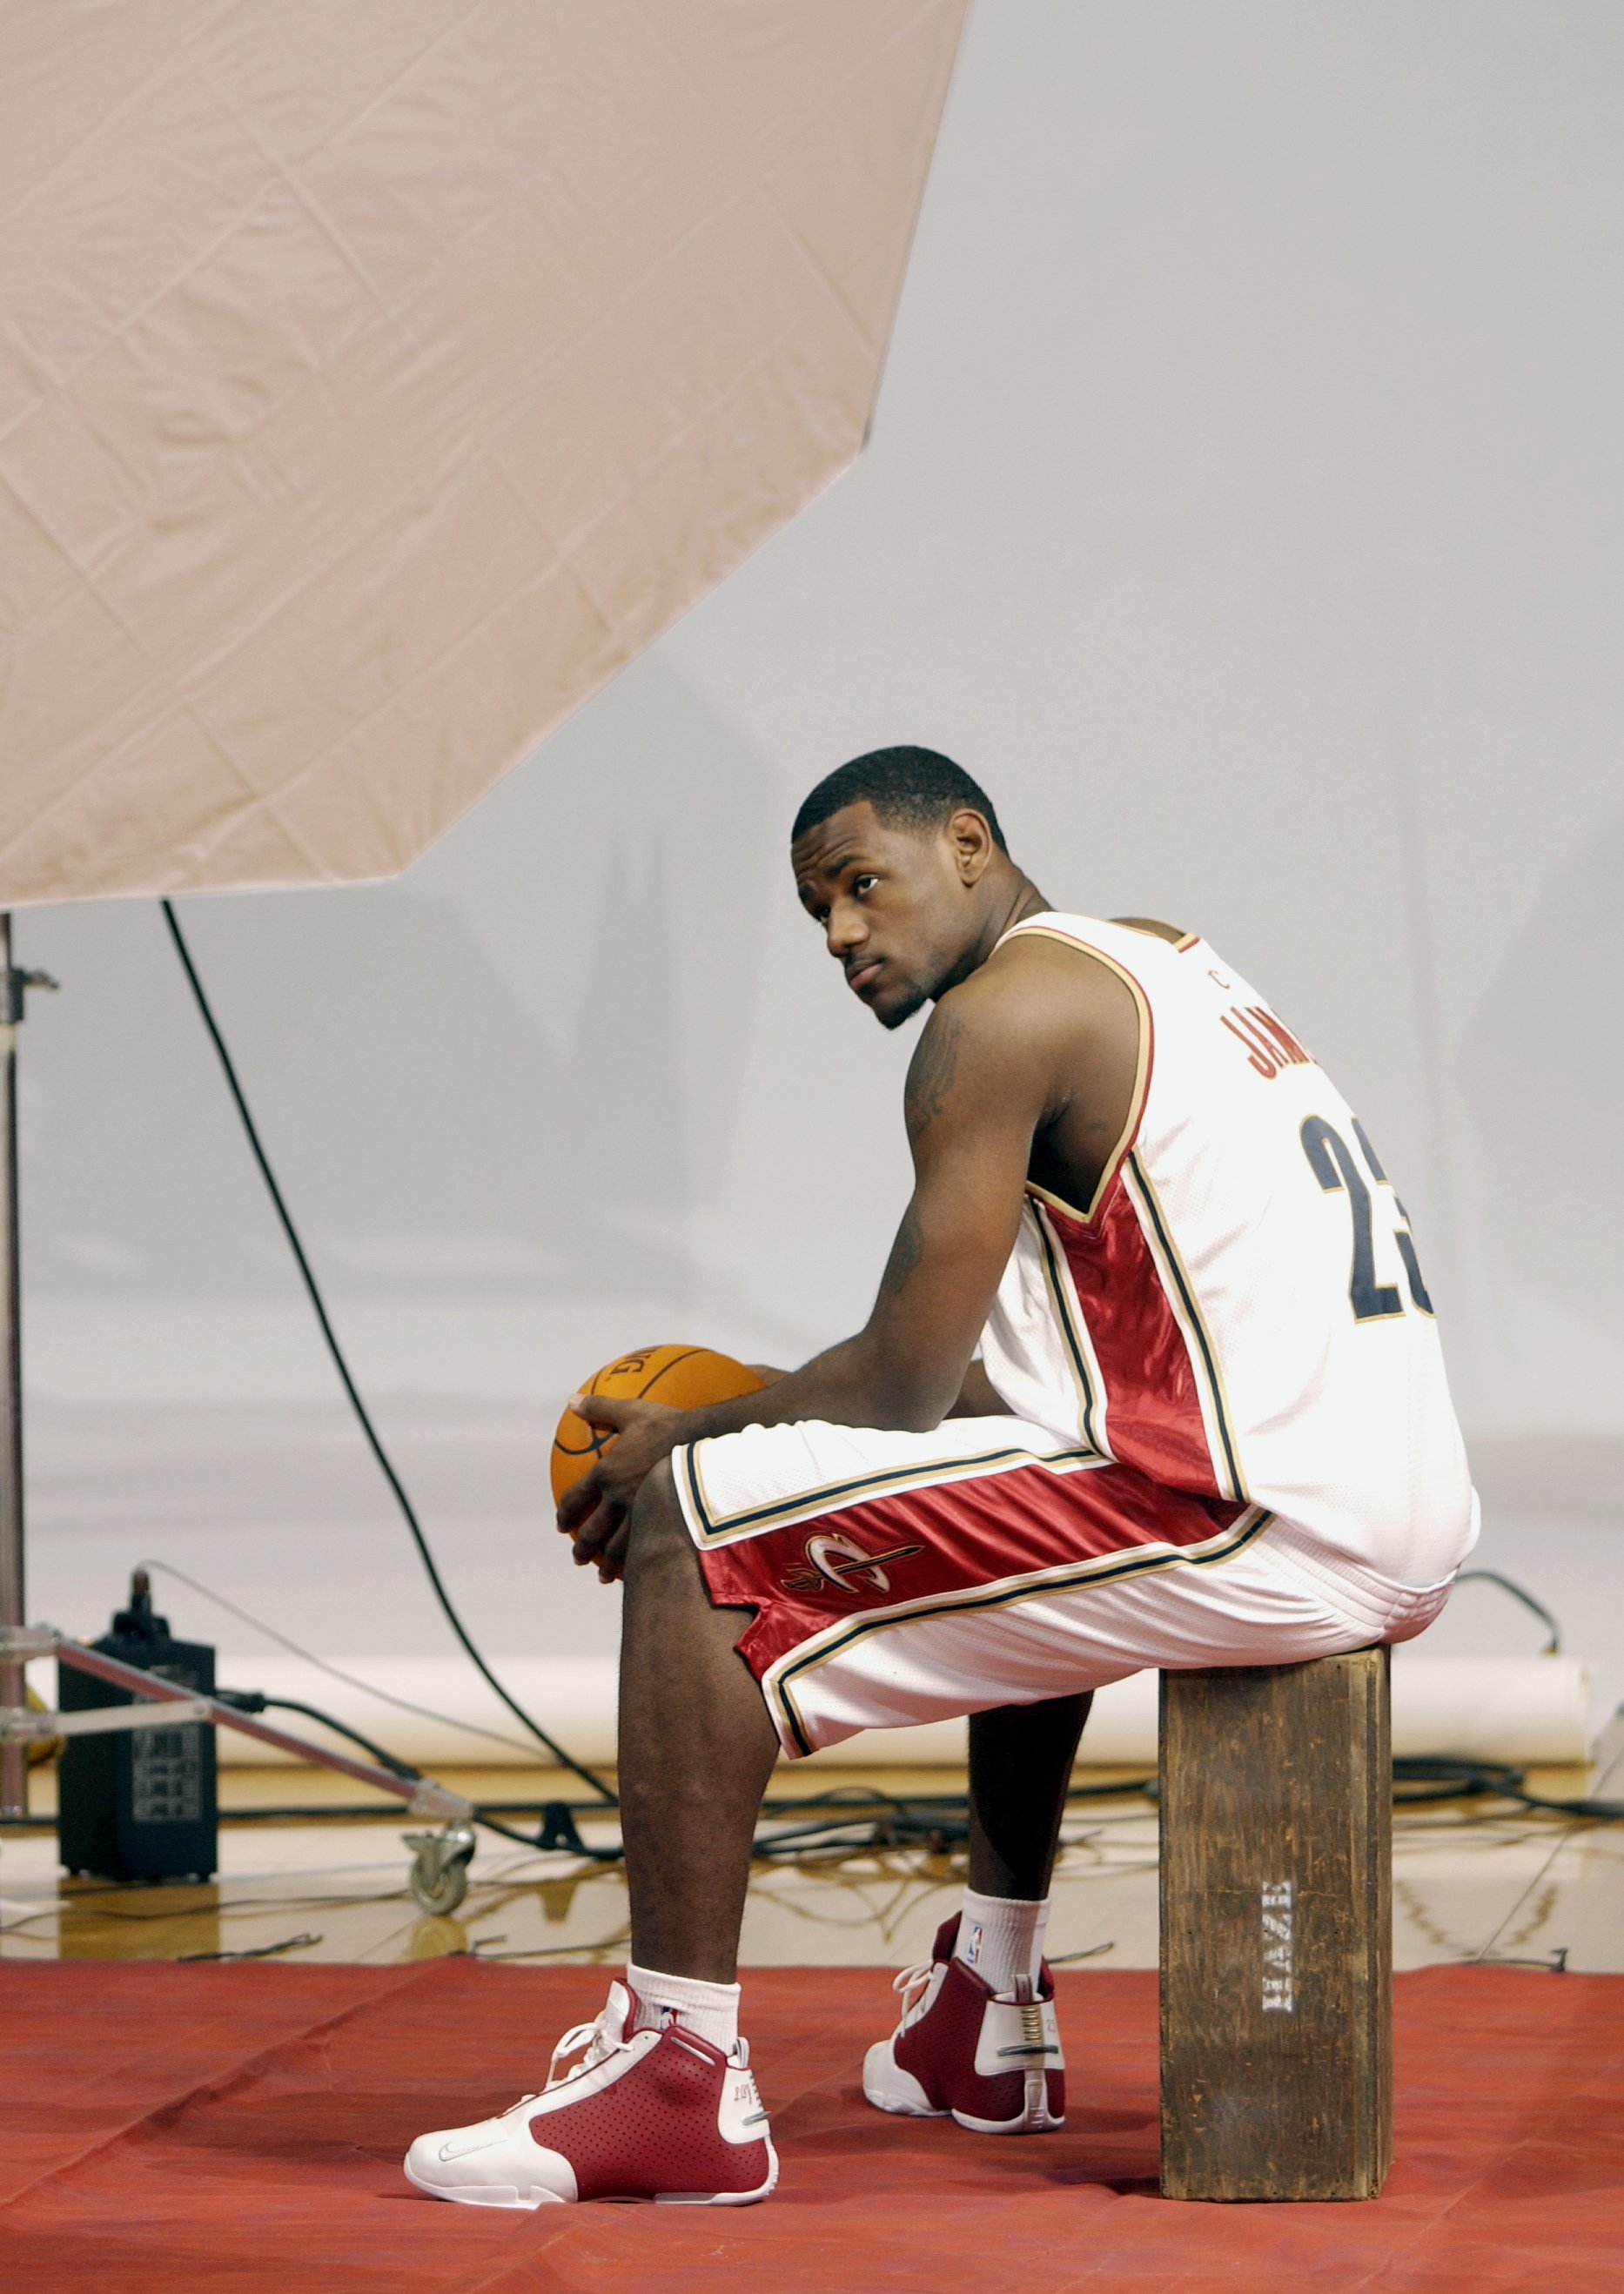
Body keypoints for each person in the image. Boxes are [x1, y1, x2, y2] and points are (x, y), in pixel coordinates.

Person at [404, 746, 1476, 2209]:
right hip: (1371, 1491)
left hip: (1262, 1516)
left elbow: (901, 1380)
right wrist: (773, 1420)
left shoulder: (991, 1023)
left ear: (967, 844)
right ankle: (988, 2003)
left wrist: (693, 1442)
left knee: (687, 1533)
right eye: (814, 913)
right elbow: (988, 1400)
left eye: (861, 884)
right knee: (1015, 1459)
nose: (840, 934)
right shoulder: (1147, 957)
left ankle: (673, 2078)